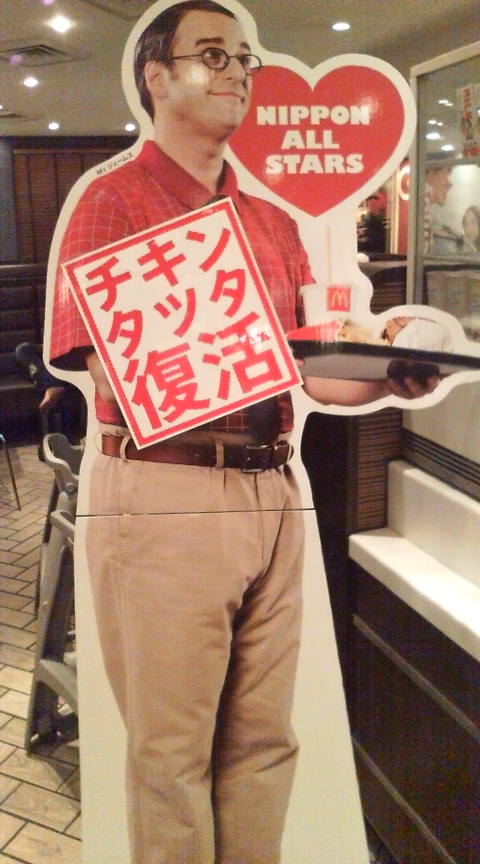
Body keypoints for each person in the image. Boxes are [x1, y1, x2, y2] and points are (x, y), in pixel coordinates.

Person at [47, 3, 439, 862]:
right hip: (166, 488)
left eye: (243, 59)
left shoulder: (271, 223)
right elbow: (107, 366)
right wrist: (248, 346)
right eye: (211, 55)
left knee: (265, 740)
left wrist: (386, 373)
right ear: (156, 75)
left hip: (274, 484)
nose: (235, 73)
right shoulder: (112, 202)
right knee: (170, 754)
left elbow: (311, 374)